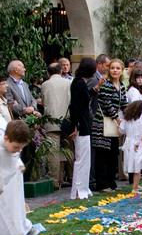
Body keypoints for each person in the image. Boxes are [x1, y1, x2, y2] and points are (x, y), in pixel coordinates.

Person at [92, 58, 127, 192]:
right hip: (103, 123)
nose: (115, 71)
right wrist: (117, 118)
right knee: (103, 154)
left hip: (113, 124)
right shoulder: (106, 84)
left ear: (122, 70)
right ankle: (102, 184)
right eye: (112, 68)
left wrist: (129, 115)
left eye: (118, 68)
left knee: (113, 153)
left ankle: (111, 182)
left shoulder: (121, 86)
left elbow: (124, 103)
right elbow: (106, 103)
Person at [41, 62, 72, 187]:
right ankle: (70, 176)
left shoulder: (45, 84)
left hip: (51, 120)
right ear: (60, 71)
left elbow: (44, 102)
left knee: (53, 152)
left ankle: (54, 180)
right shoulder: (68, 83)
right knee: (68, 149)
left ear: (48, 72)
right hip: (66, 120)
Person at [69, 58, 95, 200]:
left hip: (83, 124)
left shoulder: (79, 82)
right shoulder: (79, 83)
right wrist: (75, 125)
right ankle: (79, 189)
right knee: (81, 158)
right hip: (81, 125)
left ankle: (83, 187)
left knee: (84, 158)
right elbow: (75, 106)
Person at [119, 100, 142, 194]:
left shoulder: (126, 120)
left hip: (128, 144)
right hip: (138, 144)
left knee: (132, 166)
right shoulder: (141, 121)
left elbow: (121, 131)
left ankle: (136, 185)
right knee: (137, 168)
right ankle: (135, 188)